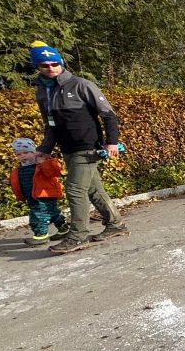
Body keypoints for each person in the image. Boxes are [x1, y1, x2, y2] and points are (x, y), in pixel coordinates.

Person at [30, 42, 127, 255]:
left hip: (88, 146)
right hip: (68, 148)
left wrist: (111, 141)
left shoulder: (81, 85)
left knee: (75, 189)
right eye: (44, 65)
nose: (50, 68)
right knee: (93, 189)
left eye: (54, 63)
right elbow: (50, 124)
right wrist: (45, 149)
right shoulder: (43, 92)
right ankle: (115, 224)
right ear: (37, 67)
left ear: (61, 63)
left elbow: (108, 115)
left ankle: (78, 235)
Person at [9, 137, 69, 246]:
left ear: (34, 152)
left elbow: (54, 171)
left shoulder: (41, 164)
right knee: (52, 212)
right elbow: (19, 181)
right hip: (32, 196)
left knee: (38, 215)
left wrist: (44, 161)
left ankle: (41, 235)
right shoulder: (19, 169)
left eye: (26, 152)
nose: (22, 156)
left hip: (44, 194)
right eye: (19, 154)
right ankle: (63, 229)